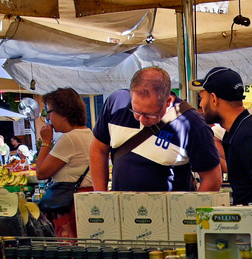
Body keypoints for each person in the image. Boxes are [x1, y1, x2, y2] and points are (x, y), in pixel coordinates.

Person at [90, 66, 222, 194]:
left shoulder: (192, 124)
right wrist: (101, 196)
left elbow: (213, 179)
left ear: (168, 101)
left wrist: (190, 213)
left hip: (170, 213)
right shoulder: (116, 104)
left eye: (149, 114)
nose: (141, 119)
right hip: (121, 211)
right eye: (135, 111)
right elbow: (98, 150)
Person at [194, 66, 252, 205]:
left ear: (213, 98)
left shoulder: (247, 136)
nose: (200, 104)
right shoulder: (240, 131)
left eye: (201, 98)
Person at [36, 88, 94, 237]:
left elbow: (41, 173)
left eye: (49, 113)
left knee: (69, 249)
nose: (48, 119)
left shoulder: (70, 138)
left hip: (70, 204)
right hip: (85, 201)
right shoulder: (88, 133)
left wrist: (46, 142)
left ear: (62, 112)